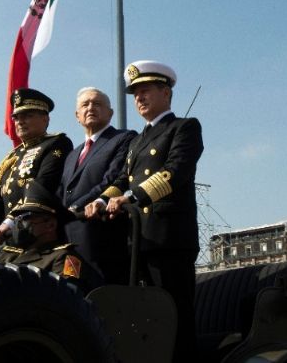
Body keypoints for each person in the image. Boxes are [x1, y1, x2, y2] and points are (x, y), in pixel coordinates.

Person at [86, 60, 204, 362]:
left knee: (174, 316)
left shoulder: (184, 128)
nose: (139, 98)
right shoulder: (136, 141)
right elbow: (121, 180)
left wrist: (133, 197)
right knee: (145, 320)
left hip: (169, 240)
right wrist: (102, 200)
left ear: (166, 92)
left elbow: (175, 172)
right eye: (135, 93)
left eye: (145, 90)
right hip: (139, 242)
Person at [59, 87, 136, 285]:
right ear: (77, 116)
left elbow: (111, 179)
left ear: (110, 113)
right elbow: (62, 191)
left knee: (103, 299)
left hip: (102, 237)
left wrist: (74, 208)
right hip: (70, 240)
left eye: (97, 104)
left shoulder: (124, 138)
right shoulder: (72, 155)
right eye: (85, 104)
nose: (91, 107)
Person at [0, 88, 73, 242]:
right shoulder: (12, 157)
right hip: (10, 237)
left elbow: (44, 184)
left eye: (28, 116)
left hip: (40, 235)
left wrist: (10, 221)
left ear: (45, 119)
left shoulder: (57, 143)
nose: (20, 121)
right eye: (17, 117)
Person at [0, 180, 102, 293]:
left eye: (26, 218)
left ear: (50, 225)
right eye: (18, 219)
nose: (19, 225)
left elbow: (66, 297)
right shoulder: (8, 256)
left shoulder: (63, 258)